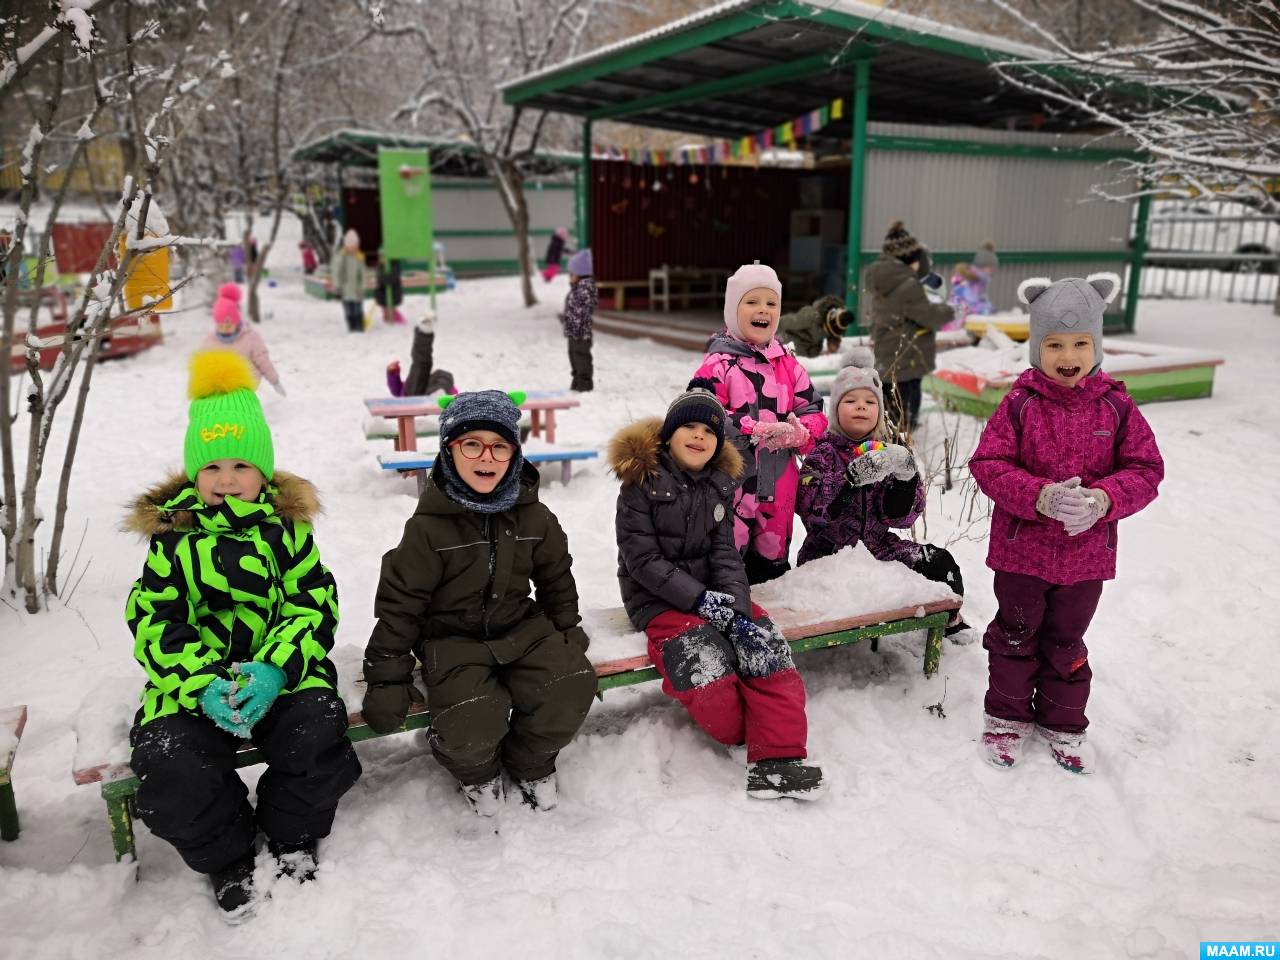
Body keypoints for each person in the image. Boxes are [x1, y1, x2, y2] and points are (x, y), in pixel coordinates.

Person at [123, 349, 361, 920]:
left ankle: (291, 833)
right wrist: (202, 681)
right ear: (193, 473)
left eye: (240, 466)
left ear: (263, 471)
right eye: (212, 467)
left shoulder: (287, 531)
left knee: (316, 730)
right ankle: (227, 855)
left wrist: (277, 667)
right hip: (194, 684)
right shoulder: (173, 538)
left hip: (279, 674)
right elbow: (154, 618)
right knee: (171, 761)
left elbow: (313, 602)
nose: (227, 480)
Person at [360, 390, 596, 815]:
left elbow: (556, 576)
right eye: (472, 444)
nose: (485, 457)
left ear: (513, 454)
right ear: (450, 450)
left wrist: (565, 628)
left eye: (499, 445)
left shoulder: (534, 517)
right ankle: (477, 772)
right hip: (452, 641)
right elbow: (400, 604)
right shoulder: (428, 530)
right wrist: (387, 677)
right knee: (472, 715)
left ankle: (531, 761)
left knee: (571, 683)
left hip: (519, 627)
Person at [969, 274, 1164, 774]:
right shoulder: (1020, 404)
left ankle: (1062, 722)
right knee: (1015, 634)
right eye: (1054, 344)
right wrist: (1039, 496)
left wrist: (1103, 499)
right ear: (1037, 347)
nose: (1067, 354)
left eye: (1080, 342)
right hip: (1021, 553)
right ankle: (1007, 718)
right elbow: (988, 464)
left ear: (1096, 345)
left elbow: (1146, 470)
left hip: (1086, 558)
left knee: (1066, 641)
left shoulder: (1117, 407)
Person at [610, 382, 824, 800]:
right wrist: (700, 602)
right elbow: (643, 562)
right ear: (669, 435)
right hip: (656, 600)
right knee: (704, 662)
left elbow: (726, 555)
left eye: (709, 431)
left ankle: (776, 761)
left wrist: (738, 611)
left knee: (764, 645)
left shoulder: (720, 485)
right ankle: (746, 734)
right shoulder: (640, 484)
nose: (699, 437)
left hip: (715, 594)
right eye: (688, 427)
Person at [796, 346, 967, 634]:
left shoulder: (887, 452)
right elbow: (811, 510)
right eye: (850, 400)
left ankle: (948, 622)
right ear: (836, 409)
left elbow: (901, 519)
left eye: (869, 401)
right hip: (829, 553)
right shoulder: (821, 455)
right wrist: (848, 481)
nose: (861, 406)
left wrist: (905, 476)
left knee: (940, 563)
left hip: (879, 548)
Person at [693, 261, 827, 585]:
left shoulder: (788, 364)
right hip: (729, 489)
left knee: (771, 573)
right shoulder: (718, 364)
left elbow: (815, 410)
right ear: (732, 309)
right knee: (727, 569)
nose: (762, 310)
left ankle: (772, 625)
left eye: (771, 303)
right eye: (752, 301)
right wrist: (752, 428)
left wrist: (800, 433)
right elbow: (699, 414)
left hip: (778, 490)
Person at [865, 220, 955, 435]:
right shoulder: (908, 285)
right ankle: (902, 437)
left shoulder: (884, 280)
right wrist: (949, 311)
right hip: (907, 355)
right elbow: (927, 315)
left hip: (888, 350)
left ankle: (888, 431)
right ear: (909, 259)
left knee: (890, 397)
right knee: (907, 404)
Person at [200, 282, 284, 395]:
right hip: (222, 385)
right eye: (220, 325)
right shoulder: (210, 341)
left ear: (236, 321)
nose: (224, 328)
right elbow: (203, 365)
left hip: (246, 383)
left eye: (228, 325)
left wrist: (275, 381)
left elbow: (262, 360)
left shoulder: (250, 337)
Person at [385, 309, 456, 397]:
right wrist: (392, 374)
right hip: (412, 397)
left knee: (443, 374)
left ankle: (437, 392)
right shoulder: (415, 380)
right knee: (421, 366)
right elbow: (397, 390)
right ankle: (424, 331)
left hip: (435, 394)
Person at [560, 248, 596, 392]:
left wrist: (571, 321)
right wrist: (565, 318)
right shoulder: (577, 289)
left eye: (572, 273)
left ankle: (585, 383)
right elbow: (572, 308)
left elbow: (581, 312)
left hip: (581, 333)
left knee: (581, 357)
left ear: (580, 274)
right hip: (574, 332)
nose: (569, 276)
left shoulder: (585, 289)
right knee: (573, 356)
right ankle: (576, 380)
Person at [945, 241, 998, 331]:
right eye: (990, 268)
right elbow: (971, 302)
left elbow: (979, 298)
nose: (992, 271)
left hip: (960, 320)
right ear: (984, 266)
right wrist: (986, 309)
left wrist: (987, 305)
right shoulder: (971, 281)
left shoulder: (977, 278)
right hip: (956, 324)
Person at [777, 294, 852, 358]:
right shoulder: (810, 317)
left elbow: (835, 335)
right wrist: (769, 332)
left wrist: (834, 344)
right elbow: (784, 322)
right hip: (790, 339)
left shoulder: (835, 326)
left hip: (811, 347)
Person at [332, 228, 366, 333]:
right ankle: (351, 326)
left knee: (358, 309)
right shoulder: (341, 257)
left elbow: (363, 274)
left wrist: (363, 286)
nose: (353, 248)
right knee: (348, 310)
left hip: (356, 289)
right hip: (345, 289)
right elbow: (337, 272)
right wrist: (337, 286)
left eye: (355, 246)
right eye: (351, 246)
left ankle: (359, 326)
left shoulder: (359, 257)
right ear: (346, 246)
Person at [374, 250, 405, 325]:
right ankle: (387, 320)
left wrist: (383, 280)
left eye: (382, 257)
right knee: (385, 307)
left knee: (390, 308)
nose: (380, 259)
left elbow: (391, 279)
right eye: (380, 257)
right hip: (382, 292)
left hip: (393, 292)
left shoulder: (394, 264)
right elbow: (379, 278)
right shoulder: (380, 266)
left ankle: (398, 321)